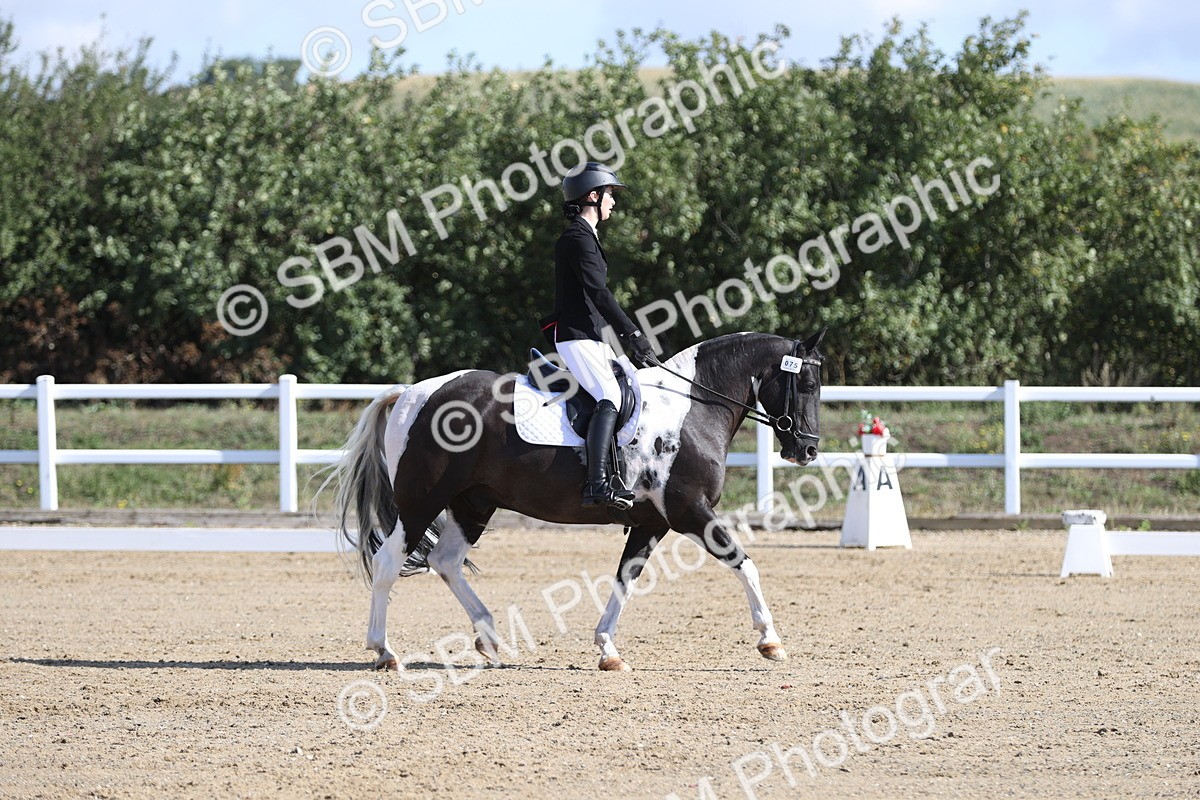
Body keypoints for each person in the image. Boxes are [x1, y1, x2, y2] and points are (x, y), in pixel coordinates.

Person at [545, 162, 659, 510]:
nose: (613, 202)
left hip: (591, 336)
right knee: (609, 395)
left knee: (630, 384)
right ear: (593, 196)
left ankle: (620, 473)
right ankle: (597, 484)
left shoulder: (586, 237)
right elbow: (599, 293)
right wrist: (633, 333)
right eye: (609, 195)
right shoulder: (578, 238)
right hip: (577, 336)